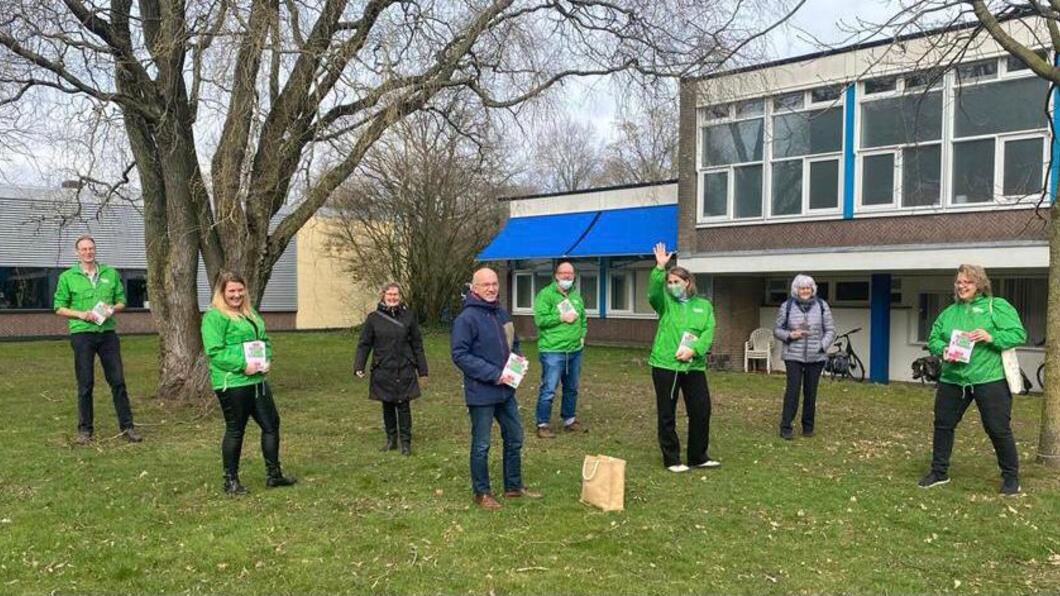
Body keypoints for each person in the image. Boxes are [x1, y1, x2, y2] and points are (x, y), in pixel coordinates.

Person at [918, 264, 1027, 496]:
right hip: (953, 379)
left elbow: (1018, 333)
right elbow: (934, 337)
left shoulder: (995, 306)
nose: (961, 286)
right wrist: (943, 350)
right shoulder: (949, 312)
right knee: (943, 424)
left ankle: (1011, 478)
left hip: (989, 378)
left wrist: (991, 337)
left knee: (998, 429)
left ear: (979, 284)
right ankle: (939, 473)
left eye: (967, 282)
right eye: (958, 282)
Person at [451, 267, 542, 510]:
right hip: (481, 393)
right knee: (482, 445)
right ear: (474, 288)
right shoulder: (466, 319)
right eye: (485, 285)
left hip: (506, 391)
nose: (491, 288)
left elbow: (515, 342)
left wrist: (518, 362)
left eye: (494, 284)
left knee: (515, 437)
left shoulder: (502, 313)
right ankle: (481, 493)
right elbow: (460, 355)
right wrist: (494, 375)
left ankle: (513, 486)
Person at [201, 271, 296, 495]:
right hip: (233, 382)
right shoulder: (214, 317)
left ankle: (274, 474)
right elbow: (215, 352)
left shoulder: (249, 313)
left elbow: (263, 340)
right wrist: (242, 365)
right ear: (222, 292)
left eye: (239, 290)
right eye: (231, 291)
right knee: (236, 430)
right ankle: (231, 481)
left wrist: (267, 359)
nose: (236, 295)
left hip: (257, 381)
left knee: (271, 425)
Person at [53, 234, 141, 444]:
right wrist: (81, 314)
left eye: (91, 248)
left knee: (118, 381)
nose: (88, 252)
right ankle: (85, 430)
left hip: (107, 334)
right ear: (77, 253)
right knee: (85, 383)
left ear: (95, 250)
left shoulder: (110, 274)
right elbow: (58, 307)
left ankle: (128, 427)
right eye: (83, 249)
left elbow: (122, 301)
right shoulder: (67, 277)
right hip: (82, 333)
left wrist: (112, 309)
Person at [647, 242, 720, 472]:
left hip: (694, 366)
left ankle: (698, 455)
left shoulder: (704, 306)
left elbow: (709, 331)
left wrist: (695, 350)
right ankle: (672, 458)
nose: (672, 286)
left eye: (676, 282)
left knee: (701, 409)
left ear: (687, 283)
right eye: (670, 282)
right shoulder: (665, 303)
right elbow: (653, 291)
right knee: (667, 411)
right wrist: (660, 269)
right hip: (666, 365)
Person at [354, 282, 429, 456]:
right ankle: (391, 440)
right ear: (383, 296)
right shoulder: (373, 318)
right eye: (390, 295)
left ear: (400, 297)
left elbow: (417, 344)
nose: (393, 298)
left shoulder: (409, 317)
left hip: (404, 367)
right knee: (387, 404)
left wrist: (422, 370)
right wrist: (359, 365)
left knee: (403, 404)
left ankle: (406, 442)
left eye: (396, 295)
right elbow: (364, 344)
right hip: (383, 368)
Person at [773, 274, 836, 440]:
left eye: (808, 287)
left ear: (812, 289)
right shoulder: (787, 306)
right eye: (802, 288)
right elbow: (777, 330)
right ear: (796, 290)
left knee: (811, 392)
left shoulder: (822, 306)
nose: (805, 291)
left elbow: (830, 330)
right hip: (793, 355)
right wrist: (790, 335)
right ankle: (786, 427)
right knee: (792, 392)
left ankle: (808, 427)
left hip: (816, 357)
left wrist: (822, 346)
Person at [532, 260, 588, 438]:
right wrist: (561, 317)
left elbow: (583, 319)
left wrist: (582, 334)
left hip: (574, 350)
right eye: (564, 273)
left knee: (571, 387)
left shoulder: (576, 296)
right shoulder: (546, 295)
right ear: (556, 276)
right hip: (552, 350)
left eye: (570, 274)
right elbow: (540, 320)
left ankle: (569, 420)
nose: (567, 276)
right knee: (549, 388)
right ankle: (542, 424)